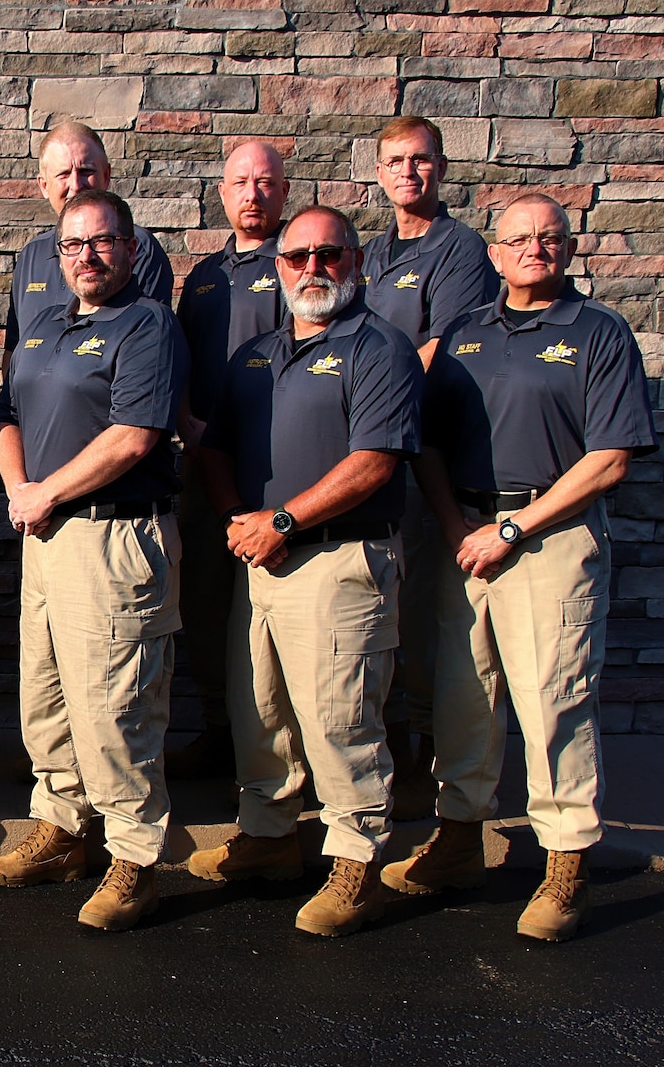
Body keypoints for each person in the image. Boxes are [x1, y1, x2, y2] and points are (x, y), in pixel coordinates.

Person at [384, 194, 656, 942]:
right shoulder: (467, 331)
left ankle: (565, 866)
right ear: (494, 255)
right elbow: (428, 444)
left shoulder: (598, 332)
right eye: (518, 239)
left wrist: (513, 528)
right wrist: (456, 528)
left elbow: (610, 458)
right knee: (462, 695)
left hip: (550, 536)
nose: (534, 248)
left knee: (553, 700)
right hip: (464, 534)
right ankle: (459, 839)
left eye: (549, 237)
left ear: (567, 249)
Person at [185, 206, 422, 938]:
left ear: (356, 262)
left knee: (340, 715)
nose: (312, 269)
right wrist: (236, 519)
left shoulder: (380, 348)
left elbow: (375, 460)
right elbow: (215, 445)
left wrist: (283, 521)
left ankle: (355, 861)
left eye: (329, 255)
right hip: (261, 557)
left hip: (341, 560)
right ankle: (269, 834)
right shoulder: (256, 354)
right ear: (277, 267)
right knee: (260, 708)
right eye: (297, 257)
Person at [0, 189, 188, 931]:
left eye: (102, 242)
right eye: (74, 245)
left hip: (112, 536)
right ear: (57, 254)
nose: (88, 256)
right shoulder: (42, 325)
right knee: (48, 695)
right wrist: (19, 490)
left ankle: (134, 859)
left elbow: (135, 435)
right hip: (45, 533)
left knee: (116, 707)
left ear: (131, 249)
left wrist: (47, 494)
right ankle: (63, 830)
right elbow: (6, 417)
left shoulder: (149, 325)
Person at [362, 116, 500, 820]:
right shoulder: (374, 251)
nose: (408, 173)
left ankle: (423, 755)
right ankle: (390, 740)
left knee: (421, 608)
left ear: (441, 169)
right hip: (376, 445)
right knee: (383, 600)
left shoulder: (460, 249)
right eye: (395, 162)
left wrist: (366, 408)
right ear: (378, 172)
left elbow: (437, 349)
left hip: (420, 448)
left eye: (420, 161)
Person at [169, 140, 290, 782]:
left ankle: (275, 747)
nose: (253, 194)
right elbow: (182, 354)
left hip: (271, 463)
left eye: (265, 182)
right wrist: (186, 419)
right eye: (241, 182)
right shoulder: (207, 275)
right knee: (208, 600)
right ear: (222, 192)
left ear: (284, 191)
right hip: (205, 461)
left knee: (275, 601)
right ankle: (221, 728)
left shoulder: (299, 264)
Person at [6, 122, 173, 348]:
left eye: (86, 172)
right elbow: (14, 350)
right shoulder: (31, 256)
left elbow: (148, 341)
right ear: (44, 185)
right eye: (63, 174)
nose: (76, 185)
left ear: (106, 175)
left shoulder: (138, 249)